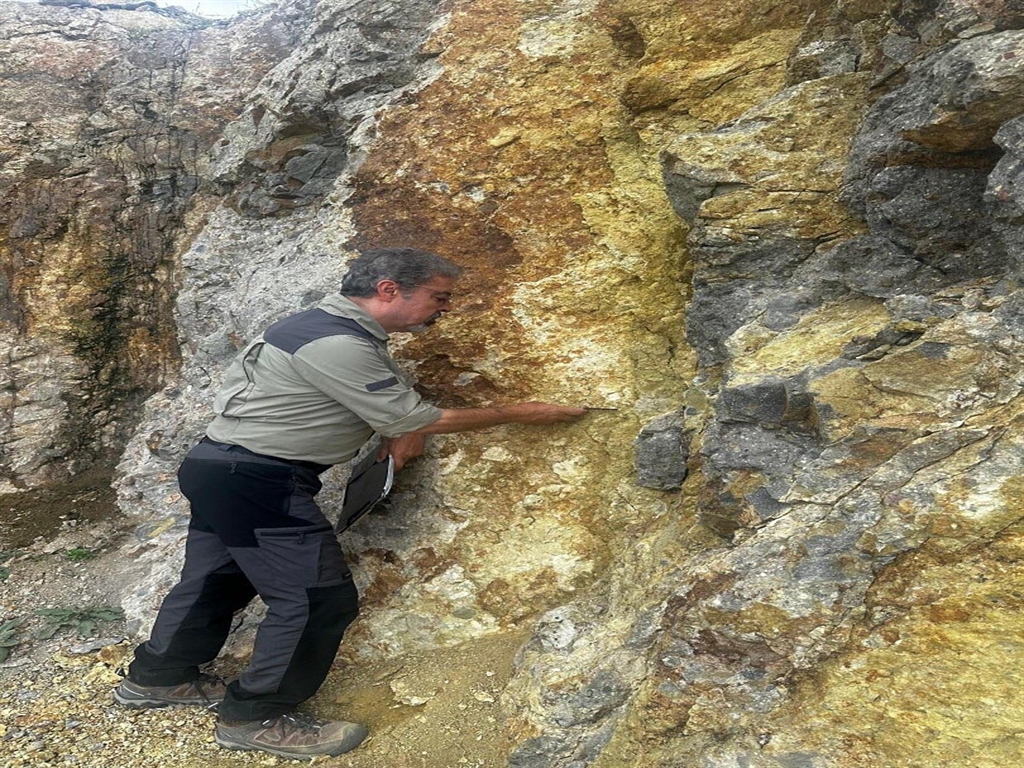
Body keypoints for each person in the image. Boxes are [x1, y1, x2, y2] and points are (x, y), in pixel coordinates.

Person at [113, 247, 587, 760]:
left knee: (217, 579)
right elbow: (415, 417)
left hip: (221, 469)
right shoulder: (339, 343)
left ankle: (158, 678)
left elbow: (376, 406)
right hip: (259, 481)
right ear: (388, 290)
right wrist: (524, 412)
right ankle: (256, 716)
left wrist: (395, 428)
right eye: (438, 297)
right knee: (318, 598)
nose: (445, 308)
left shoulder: (321, 327)